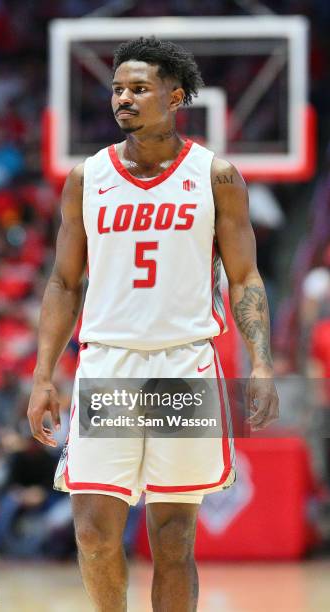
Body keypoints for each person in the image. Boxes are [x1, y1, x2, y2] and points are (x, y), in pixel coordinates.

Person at [27, 37, 279, 612]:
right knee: (92, 533)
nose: (125, 98)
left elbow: (245, 279)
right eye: (118, 89)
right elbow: (64, 283)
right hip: (108, 363)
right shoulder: (86, 178)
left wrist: (262, 362)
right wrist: (43, 373)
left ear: (176, 95)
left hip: (184, 363)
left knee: (172, 538)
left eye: (139, 88)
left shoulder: (216, 176)